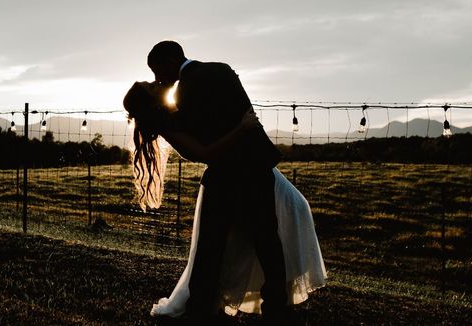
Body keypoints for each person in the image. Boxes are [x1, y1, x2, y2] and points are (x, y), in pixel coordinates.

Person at [124, 78, 326, 319]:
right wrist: (242, 127)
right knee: (242, 242)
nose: (155, 81)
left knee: (281, 218)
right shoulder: (169, 125)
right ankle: (252, 300)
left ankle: (274, 296)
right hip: (233, 176)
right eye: (151, 85)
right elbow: (205, 153)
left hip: (248, 168)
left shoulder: (181, 105)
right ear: (153, 102)